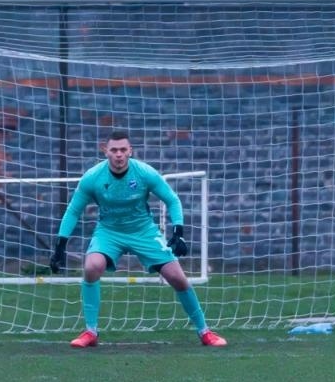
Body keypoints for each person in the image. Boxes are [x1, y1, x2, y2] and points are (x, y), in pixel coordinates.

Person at [50, 129, 225, 349]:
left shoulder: (144, 173)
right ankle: (90, 331)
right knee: (92, 266)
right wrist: (60, 246)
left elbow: (172, 200)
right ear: (106, 151)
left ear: (130, 151)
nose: (119, 155)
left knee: (178, 278)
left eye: (123, 149)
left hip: (143, 231)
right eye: (114, 150)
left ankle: (205, 332)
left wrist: (178, 232)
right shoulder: (93, 178)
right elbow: (73, 211)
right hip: (109, 232)